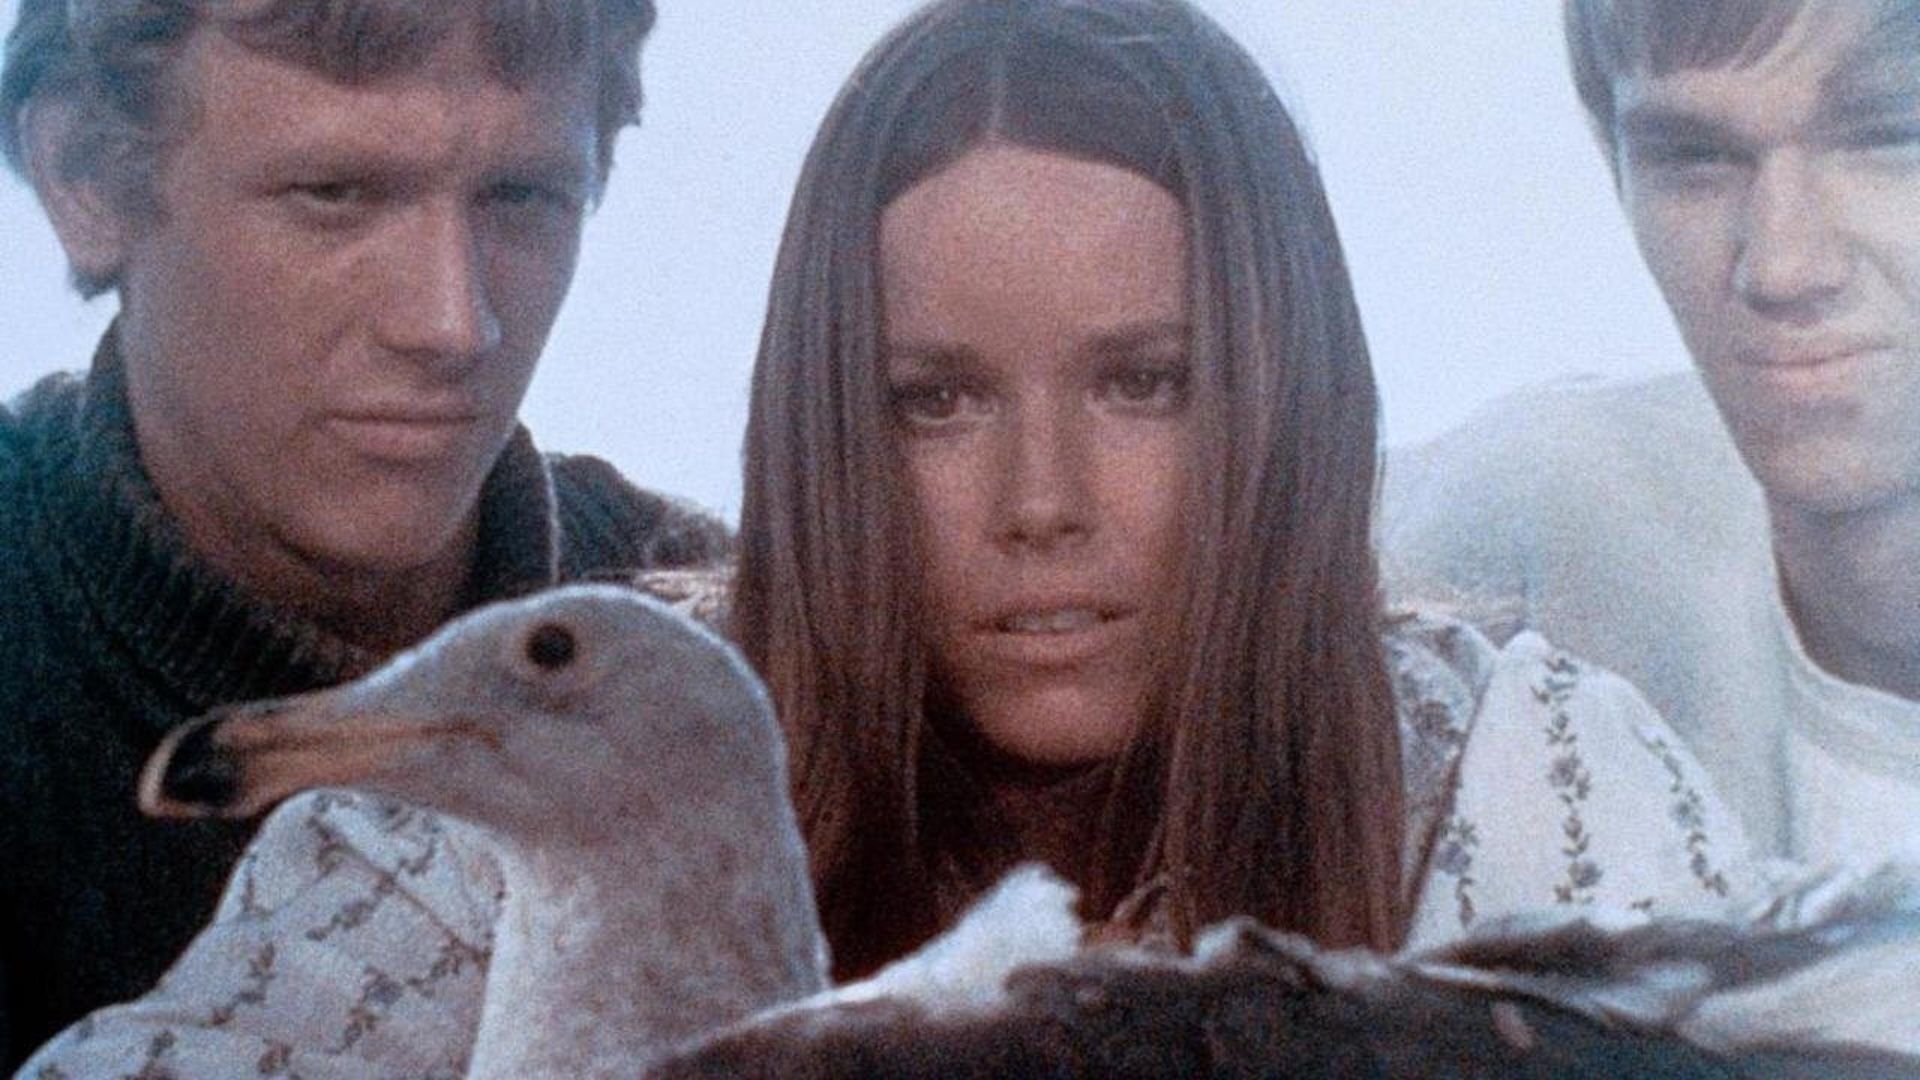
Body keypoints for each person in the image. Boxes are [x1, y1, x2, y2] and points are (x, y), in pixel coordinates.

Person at [19, 1, 1756, 1074]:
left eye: (1145, 383)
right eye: (935, 402)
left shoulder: (1514, 778)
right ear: (828, 426)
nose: (1043, 501)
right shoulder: (599, 744)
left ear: (1282, 394)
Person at [0, 0, 726, 1064]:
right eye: (335, 194)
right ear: (83, 179)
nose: (451, 324)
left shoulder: (750, 651)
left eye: (522, 197)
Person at [1380, 0, 1920, 867]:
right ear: (1612, 160)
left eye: (1892, 136)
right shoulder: (1543, 521)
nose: (1782, 267)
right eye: (1694, 158)